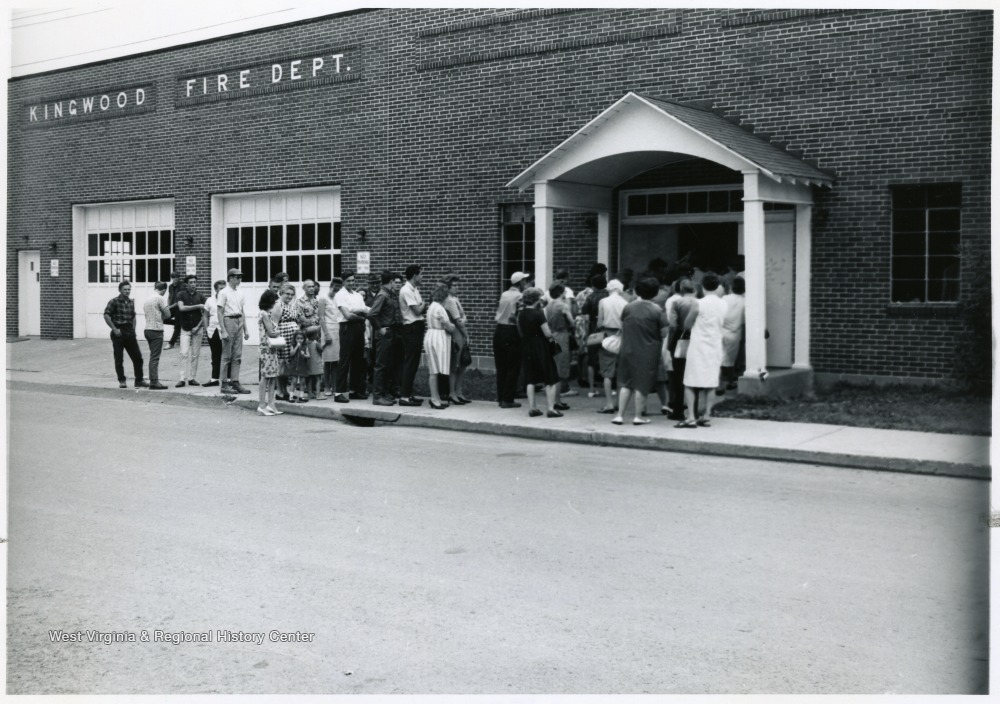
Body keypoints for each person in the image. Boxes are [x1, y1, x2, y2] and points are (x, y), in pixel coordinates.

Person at [612, 277, 670, 426]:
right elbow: (664, 333)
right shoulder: (657, 310)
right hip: (649, 352)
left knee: (626, 383)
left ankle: (619, 415)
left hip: (628, 349)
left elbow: (623, 324)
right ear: (655, 293)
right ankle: (638, 416)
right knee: (643, 383)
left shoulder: (628, 307)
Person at [678, 273, 728, 428]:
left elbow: (687, 324)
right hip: (715, 344)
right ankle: (706, 415)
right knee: (711, 381)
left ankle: (691, 417)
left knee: (690, 381)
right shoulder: (723, 304)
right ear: (717, 286)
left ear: (703, 287)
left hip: (698, 345)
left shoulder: (698, 303)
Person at [517, 287, 563, 418]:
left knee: (530, 378)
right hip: (540, 346)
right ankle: (551, 409)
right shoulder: (538, 313)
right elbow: (547, 333)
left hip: (527, 345)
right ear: (536, 299)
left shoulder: (521, 313)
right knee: (550, 376)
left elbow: (520, 330)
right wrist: (552, 338)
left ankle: (532, 408)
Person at [493, 271, 530, 408]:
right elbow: (519, 317)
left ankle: (501, 397)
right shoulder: (520, 296)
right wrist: (523, 335)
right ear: (521, 282)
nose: (526, 283)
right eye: (524, 281)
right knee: (513, 367)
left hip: (499, 330)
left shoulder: (504, 294)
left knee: (501, 366)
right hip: (512, 330)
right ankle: (508, 399)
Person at [367, 270, 404, 406]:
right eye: (394, 281)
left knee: (388, 364)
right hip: (384, 333)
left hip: (391, 332)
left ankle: (384, 392)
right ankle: (377, 396)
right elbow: (371, 314)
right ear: (391, 281)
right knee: (380, 365)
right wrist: (380, 328)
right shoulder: (382, 295)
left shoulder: (389, 294)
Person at [103, 280, 147, 388]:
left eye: (129, 289)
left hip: (129, 332)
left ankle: (139, 380)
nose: (127, 291)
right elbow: (106, 315)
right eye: (125, 289)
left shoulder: (131, 302)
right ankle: (122, 381)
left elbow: (133, 317)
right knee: (119, 358)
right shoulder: (114, 301)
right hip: (118, 332)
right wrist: (114, 329)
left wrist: (133, 330)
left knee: (138, 357)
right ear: (120, 290)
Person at [333, 270, 369, 403]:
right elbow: (347, 315)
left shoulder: (357, 295)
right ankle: (339, 393)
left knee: (357, 360)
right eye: (348, 281)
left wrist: (374, 311)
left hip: (358, 328)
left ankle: (354, 390)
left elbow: (365, 309)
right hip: (347, 328)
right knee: (345, 360)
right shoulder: (340, 295)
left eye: (353, 280)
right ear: (343, 282)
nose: (351, 283)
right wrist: (361, 316)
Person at [665, 277, 697, 420]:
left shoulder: (677, 303)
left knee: (678, 375)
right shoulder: (698, 303)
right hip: (695, 337)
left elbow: (672, 325)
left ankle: (678, 409)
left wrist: (670, 344)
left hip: (679, 336)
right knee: (694, 374)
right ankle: (694, 409)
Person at [595, 278, 627, 413]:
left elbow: (599, 323)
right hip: (622, 336)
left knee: (607, 372)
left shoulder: (603, 302)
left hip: (607, 336)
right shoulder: (625, 303)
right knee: (621, 371)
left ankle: (609, 404)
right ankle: (619, 402)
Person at [216, 268, 250, 395]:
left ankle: (235, 381)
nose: (239, 279)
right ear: (230, 278)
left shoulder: (240, 292)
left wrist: (246, 329)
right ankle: (224, 383)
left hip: (239, 320)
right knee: (226, 355)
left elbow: (242, 311)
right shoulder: (223, 292)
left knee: (237, 355)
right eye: (237, 277)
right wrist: (223, 330)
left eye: (240, 277)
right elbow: (220, 312)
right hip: (228, 321)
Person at [423, 284, 457, 409]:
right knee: (435, 370)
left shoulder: (431, 306)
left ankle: (435, 397)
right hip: (438, 337)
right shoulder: (440, 308)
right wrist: (453, 326)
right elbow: (449, 327)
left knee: (434, 369)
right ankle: (434, 398)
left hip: (430, 335)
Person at [398, 264, 428, 406]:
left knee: (414, 363)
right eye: (420, 274)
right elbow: (418, 310)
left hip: (417, 327)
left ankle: (409, 394)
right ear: (415, 276)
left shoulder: (415, 289)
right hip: (411, 328)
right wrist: (424, 305)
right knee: (410, 362)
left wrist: (422, 306)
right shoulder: (406, 290)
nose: (422, 277)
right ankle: (404, 396)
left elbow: (420, 308)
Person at [442, 274, 471, 405]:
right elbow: (459, 321)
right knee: (455, 365)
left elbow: (463, 317)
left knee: (462, 364)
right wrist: (466, 335)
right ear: (448, 287)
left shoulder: (455, 298)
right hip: (456, 334)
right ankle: (452, 393)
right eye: (454, 285)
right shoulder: (449, 300)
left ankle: (459, 392)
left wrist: (463, 320)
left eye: (457, 285)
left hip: (460, 333)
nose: (456, 287)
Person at [175, 274, 207, 387]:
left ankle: (192, 378)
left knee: (195, 354)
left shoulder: (201, 296)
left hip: (197, 328)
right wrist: (198, 306)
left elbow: (205, 314)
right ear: (186, 284)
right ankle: (182, 378)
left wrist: (198, 327)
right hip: (185, 327)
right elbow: (181, 308)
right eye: (191, 282)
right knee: (184, 353)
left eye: (194, 282)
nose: (193, 284)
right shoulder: (181, 294)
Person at [545, 283, 575, 399]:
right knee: (563, 362)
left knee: (554, 361)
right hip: (562, 334)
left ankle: (554, 391)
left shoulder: (548, 305)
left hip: (551, 334)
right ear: (560, 293)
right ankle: (562, 391)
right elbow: (571, 322)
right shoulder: (563, 306)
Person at [256, 289, 283, 416]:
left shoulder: (266, 313)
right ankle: (262, 405)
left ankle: (271, 404)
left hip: (270, 348)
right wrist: (278, 332)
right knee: (266, 376)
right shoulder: (264, 314)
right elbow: (271, 332)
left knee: (272, 376)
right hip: (267, 348)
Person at [582, 274, 609, 397]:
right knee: (608, 358)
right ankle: (609, 386)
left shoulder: (590, 297)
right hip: (607, 329)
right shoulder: (608, 296)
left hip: (593, 330)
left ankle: (592, 388)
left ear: (593, 285)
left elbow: (584, 313)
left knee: (591, 360)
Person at [272, 283, 301, 400]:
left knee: (289, 365)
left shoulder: (291, 305)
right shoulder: (278, 305)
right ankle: (280, 391)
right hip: (283, 337)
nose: (289, 296)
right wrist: (277, 339)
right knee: (282, 364)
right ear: (281, 293)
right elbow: (274, 323)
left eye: (291, 294)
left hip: (292, 338)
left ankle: (285, 391)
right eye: (287, 294)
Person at [718, 276, 746, 393]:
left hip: (720, 331)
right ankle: (726, 383)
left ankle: (721, 383)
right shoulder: (745, 301)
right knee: (729, 361)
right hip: (734, 333)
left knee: (720, 358)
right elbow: (745, 320)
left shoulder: (724, 298)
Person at [317, 277, 344, 397]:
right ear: (331, 286)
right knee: (328, 361)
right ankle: (327, 386)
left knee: (336, 361)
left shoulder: (339, 298)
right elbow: (321, 317)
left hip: (338, 330)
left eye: (339, 288)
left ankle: (335, 385)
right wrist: (326, 333)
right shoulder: (323, 298)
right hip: (327, 330)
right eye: (335, 288)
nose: (336, 290)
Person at [141, 281, 170, 390]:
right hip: (156, 330)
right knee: (155, 357)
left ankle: (153, 380)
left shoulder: (147, 299)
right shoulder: (160, 298)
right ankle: (154, 381)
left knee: (153, 356)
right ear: (164, 290)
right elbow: (168, 314)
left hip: (147, 329)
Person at [203, 279, 226, 387]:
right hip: (213, 330)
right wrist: (207, 329)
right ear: (216, 290)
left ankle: (227, 379)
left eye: (224, 288)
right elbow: (205, 315)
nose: (223, 291)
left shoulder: (228, 300)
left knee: (227, 355)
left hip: (225, 329)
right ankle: (214, 379)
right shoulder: (210, 300)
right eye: (221, 288)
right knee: (215, 355)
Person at [286, 330, 312, 403]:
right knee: (294, 381)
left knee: (302, 382)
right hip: (295, 366)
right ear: (295, 339)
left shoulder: (305, 346)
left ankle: (301, 396)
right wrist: (297, 347)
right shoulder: (293, 345)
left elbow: (309, 356)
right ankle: (291, 396)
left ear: (304, 339)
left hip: (302, 366)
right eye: (298, 338)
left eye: (301, 338)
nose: (299, 340)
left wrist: (304, 355)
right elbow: (291, 353)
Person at [165, 270, 182, 349]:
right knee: (163, 319)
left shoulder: (182, 286)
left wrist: (170, 307)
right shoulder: (170, 286)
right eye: (173, 277)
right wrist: (168, 306)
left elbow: (179, 300)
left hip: (179, 308)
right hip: (172, 307)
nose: (175, 279)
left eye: (177, 277)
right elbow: (169, 297)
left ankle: (171, 343)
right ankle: (180, 323)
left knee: (177, 328)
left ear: (179, 278)